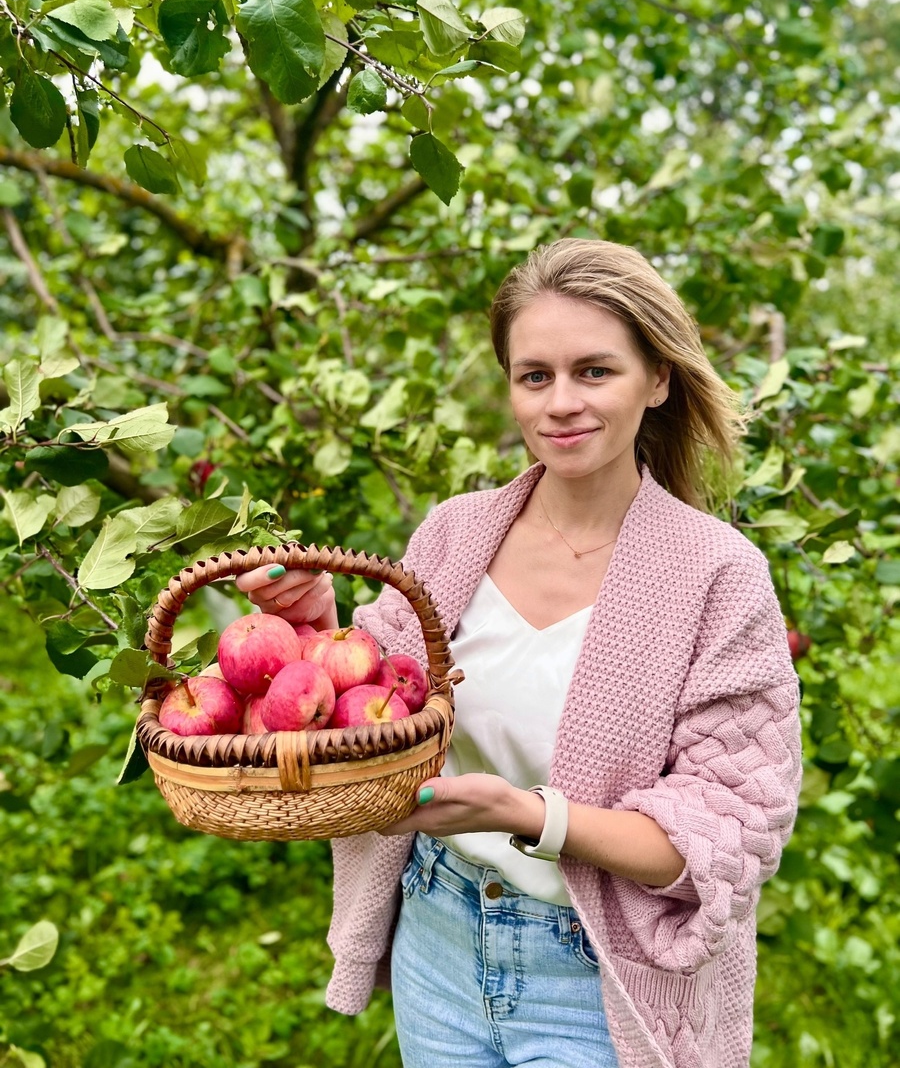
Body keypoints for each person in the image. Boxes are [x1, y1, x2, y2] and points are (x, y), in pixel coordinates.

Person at [236, 238, 803, 1068]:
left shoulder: (717, 575)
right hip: (438, 936)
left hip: (598, 975)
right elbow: (373, 713)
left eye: (594, 371)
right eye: (534, 375)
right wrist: (315, 626)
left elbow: (731, 831)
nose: (560, 403)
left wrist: (529, 816)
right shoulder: (455, 532)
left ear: (659, 379)